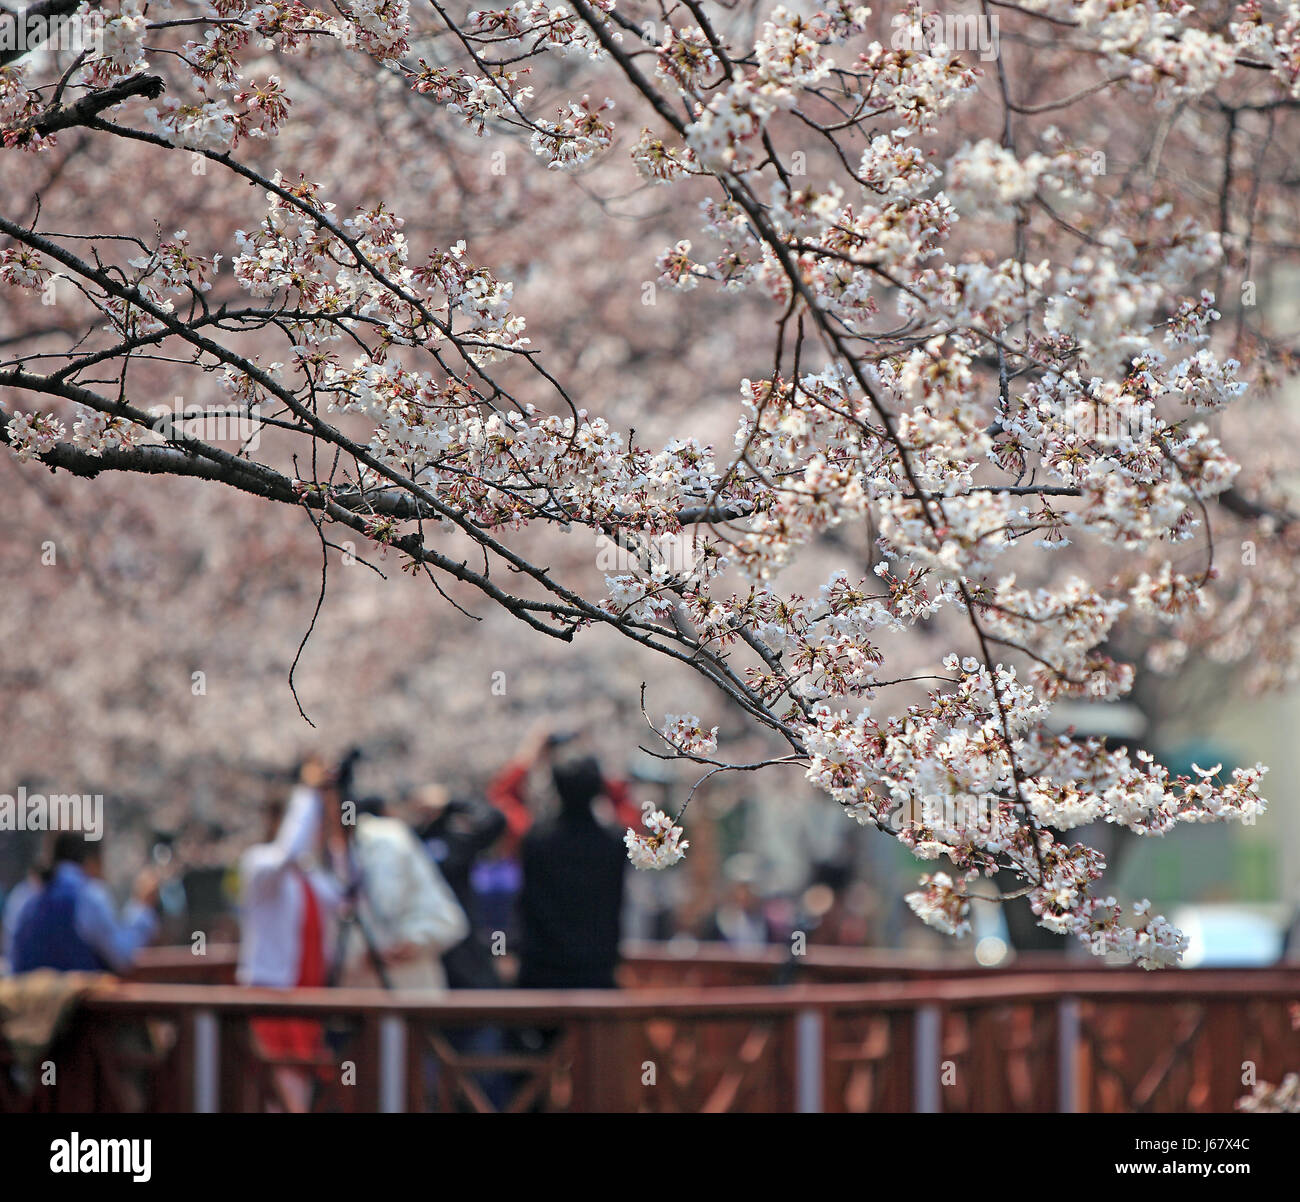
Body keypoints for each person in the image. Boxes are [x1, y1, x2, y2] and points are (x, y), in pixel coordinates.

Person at [238, 758, 343, 1112]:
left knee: (300, 1095)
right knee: (281, 1099)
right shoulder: (260, 866)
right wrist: (307, 792)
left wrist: (336, 829)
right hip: (272, 998)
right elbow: (288, 851)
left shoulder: (311, 877)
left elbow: (350, 894)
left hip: (307, 1003)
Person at [335, 796, 469, 991]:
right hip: (352, 996)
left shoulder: (388, 839)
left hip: (409, 991)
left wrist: (411, 943)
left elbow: (448, 921)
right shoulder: (320, 849)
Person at [517, 756, 628, 990]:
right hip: (597, 969)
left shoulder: (536, 841)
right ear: (600, 788)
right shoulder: (615, 843)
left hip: (541, 968)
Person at [9, 834, 159, 975]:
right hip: (72, 1002)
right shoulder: (88, 895)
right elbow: (121, 956)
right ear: (91, 861)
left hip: (25, 1001)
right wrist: (142, 908)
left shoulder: (23, 894)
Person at [406, 785, 507, 989]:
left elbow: (497, 818)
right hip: (427, 941)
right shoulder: (410, 841)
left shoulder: (457, 841)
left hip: (466, 943)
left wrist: (450, 802)